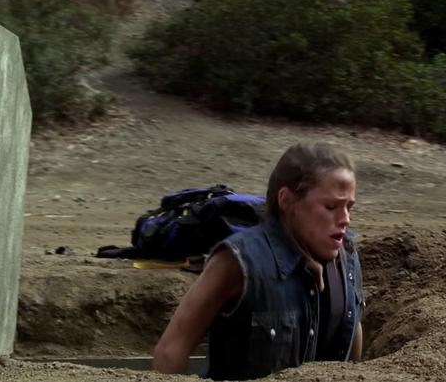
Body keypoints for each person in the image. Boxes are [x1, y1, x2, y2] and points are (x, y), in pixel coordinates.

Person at [153, 142, 365, 379]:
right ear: (286, 200)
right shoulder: (239, 262)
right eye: (331, 206)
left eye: (349, 207)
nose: (345, 219)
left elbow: (352, 342)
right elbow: (170, 351)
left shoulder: (347, 258)